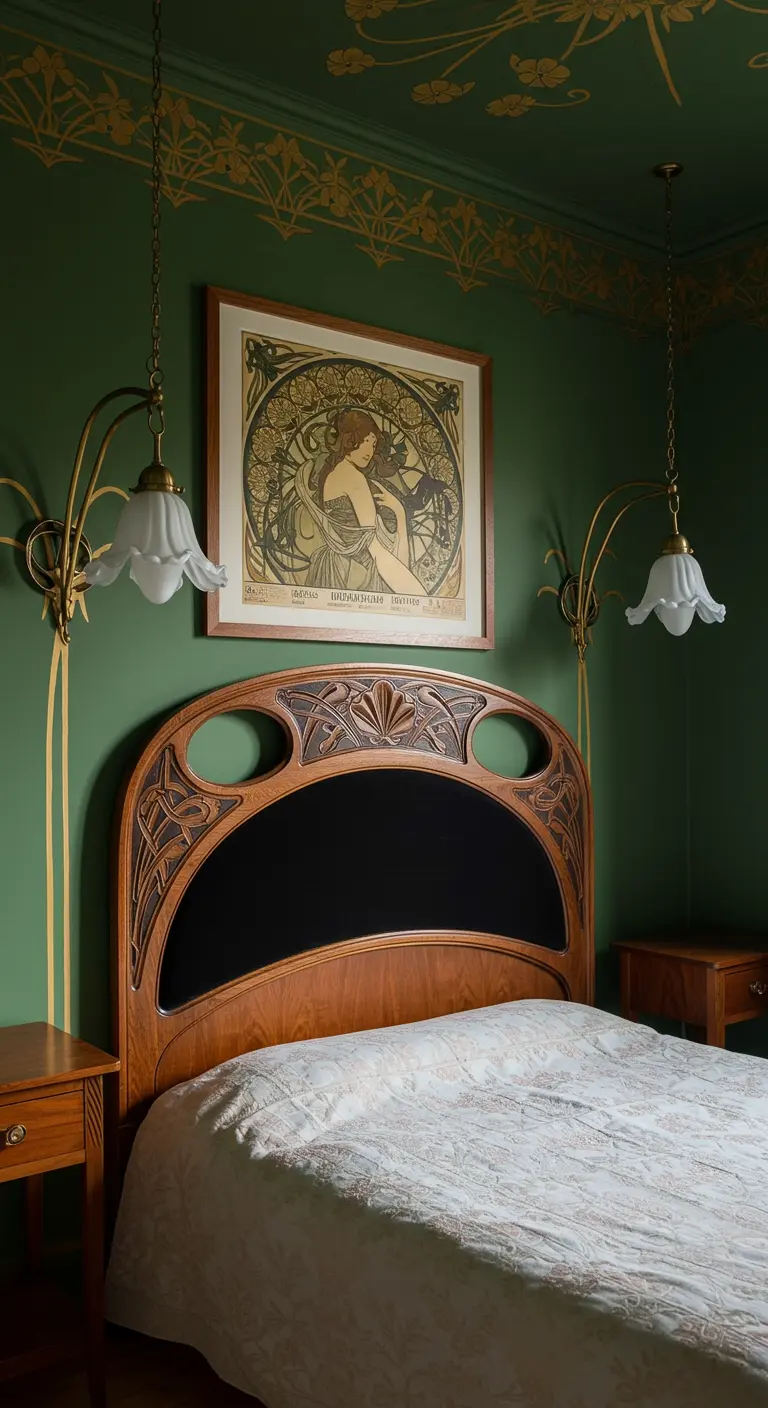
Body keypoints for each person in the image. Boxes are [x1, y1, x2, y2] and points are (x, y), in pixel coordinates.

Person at [295, 408, 425, 596]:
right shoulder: (353, 477)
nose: (369, 451)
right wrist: (416, 595)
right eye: (365, 441)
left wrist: (399, 511)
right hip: (360, 572)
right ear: (350, 439)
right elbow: (376, 551)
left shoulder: (335, 474)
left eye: (373, 445)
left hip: (338, 565)